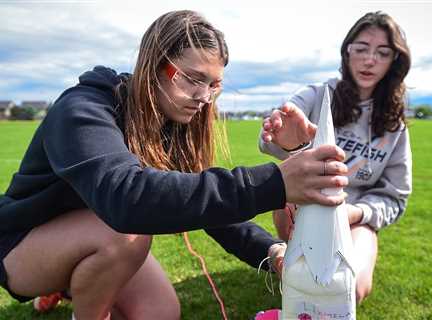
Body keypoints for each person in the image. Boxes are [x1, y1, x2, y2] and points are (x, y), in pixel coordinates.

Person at [0, 10, 349, 320]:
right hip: (22, 244)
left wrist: (270, 249)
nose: (204, 98)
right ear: (154, 64)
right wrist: (274, 183)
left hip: (96, 235)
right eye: (193, 79)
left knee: (159, 313)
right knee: (128, 238)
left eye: (213, 85)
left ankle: (72, 283)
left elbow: (207, 208)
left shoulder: (172, 124)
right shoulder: (82, 109)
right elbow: (125, 200)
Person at [259, 11, 412, 304]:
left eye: (382, 52)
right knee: (302, 276)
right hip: (304, 204)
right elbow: (270, 138)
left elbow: (396, 197)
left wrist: (354, 213)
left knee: (351, 287)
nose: (370, 60)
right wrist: (284, 137)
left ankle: (298, 261)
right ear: (347, 51)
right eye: (362, 48)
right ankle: (289, 255)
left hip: (355, 218)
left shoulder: (395, 125)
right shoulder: (318, 95)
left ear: (394, 60)